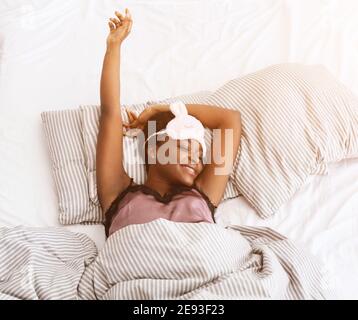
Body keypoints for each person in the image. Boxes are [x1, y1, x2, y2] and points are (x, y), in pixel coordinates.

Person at [97, 8, 242, 237]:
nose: (195, 160)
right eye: (185, 147)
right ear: (154, 150)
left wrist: (164, 108)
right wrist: (114, 47)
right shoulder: (118, 193)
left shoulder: (205, 193)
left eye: (199, 155)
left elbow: (230, 121)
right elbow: (110, 113)